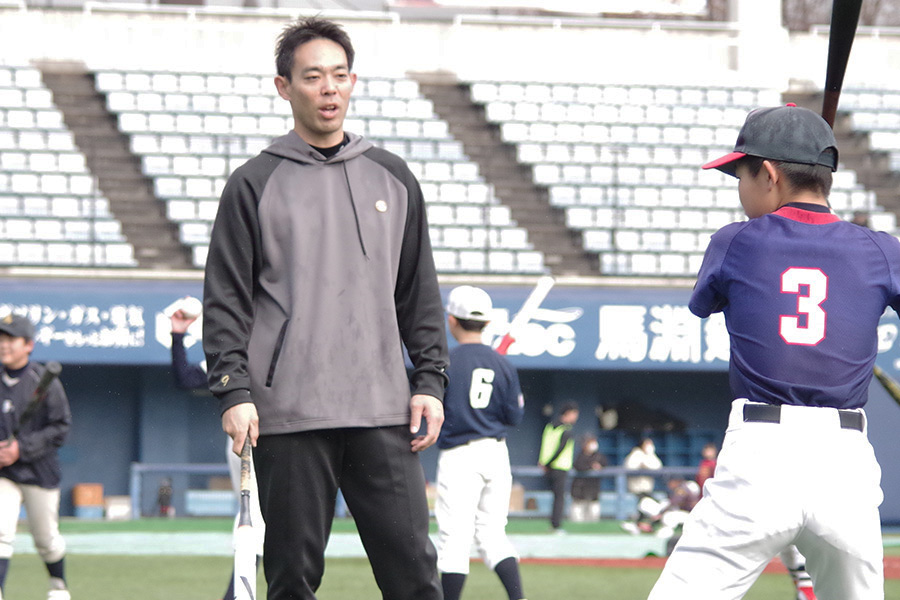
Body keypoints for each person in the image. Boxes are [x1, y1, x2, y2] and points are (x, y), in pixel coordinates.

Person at [201, 16, 449, 600]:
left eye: (339, 75)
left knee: (416, 575)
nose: (329, 88)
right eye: (313, 77)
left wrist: (431, 379)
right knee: (291, 581)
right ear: (285, 87)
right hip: (288, 414)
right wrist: (234, 391)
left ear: (354, 81)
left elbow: (418, 291)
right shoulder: (253, 182)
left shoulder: (393, 177)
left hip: (382, 411)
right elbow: (227, 300)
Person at [648, 104, 896, 600]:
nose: (739, 188)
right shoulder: (881, 249)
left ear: (768, 173)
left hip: (761, 452)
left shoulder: (735, 241)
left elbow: (706, 302)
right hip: (845, 459)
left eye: (740, 173)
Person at [434, 285, 526, 600]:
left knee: (454, 540)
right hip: (496, 454)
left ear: (452, 320)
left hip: (459, 455)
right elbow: (514, 416)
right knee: (492, 536)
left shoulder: (444, 360)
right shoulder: (502, 364)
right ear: (487, 323)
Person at [169, 305, 265, 600]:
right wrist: (177, 336)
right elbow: (186, 378)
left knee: (273, 525)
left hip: (290, 438)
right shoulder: (236, 354)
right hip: (247, 441)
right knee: (256, 521)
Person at [0, 314, 72, 600]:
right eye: (1, 338)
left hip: (39, 471)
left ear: (28, 345)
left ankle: (58, 585)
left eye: (10, 339)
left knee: (46, 539)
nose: (3, 345)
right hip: (4, 474)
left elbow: (61, 428)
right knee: (1, 534)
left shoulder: (44, 380)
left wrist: (22, 447)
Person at [692, 440, 816, 599]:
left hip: (800, 505)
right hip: (772, 505)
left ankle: (807, 592)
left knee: (800, 553)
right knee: (789, 555)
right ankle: (803, 590)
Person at [538, 402, 579, 533]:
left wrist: (544, 463)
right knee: (559, 498)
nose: (575, 418)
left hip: (547, 467)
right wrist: (549, 463)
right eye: (575, 414)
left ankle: (553, 524)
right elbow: (559, 449)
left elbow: (545, 446)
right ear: (568, 413)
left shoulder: (550, 427)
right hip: (560, 467)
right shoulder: (566, 430)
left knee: (555, 497)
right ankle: (556, 526)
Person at [620, 437, 662, 534]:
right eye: (647, 444)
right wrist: (641, 465)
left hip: (647, 489)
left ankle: (640, 526)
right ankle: (636, 525)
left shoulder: (651, 455)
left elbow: (658, 466)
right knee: (644, 506)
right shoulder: (635, 454)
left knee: (653, 507)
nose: (650, 447)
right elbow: (630, 467)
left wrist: (646, 464)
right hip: (636, 489)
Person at [570, 434, 607, 522]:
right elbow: (578, 466)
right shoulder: (580, 456)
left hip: (593, 488)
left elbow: (604, 464)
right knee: (577, 512)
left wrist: (599, 466)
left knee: (594, 511)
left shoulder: (598, 456)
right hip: (580, 488)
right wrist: (590, 466)